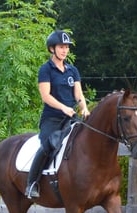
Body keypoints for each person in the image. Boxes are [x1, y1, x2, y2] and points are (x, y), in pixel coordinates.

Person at [25, 30, 90, 199]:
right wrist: (63, 108)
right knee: (47, 145)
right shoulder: (45, 70)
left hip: (71, 117)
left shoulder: (73, 70)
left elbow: (78, 95)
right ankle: (32, 183)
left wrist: (84, 107)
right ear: (52, 49)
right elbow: (46, 96)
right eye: (61, 47)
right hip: (52, 118)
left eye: (67, 47)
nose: (65, 50)